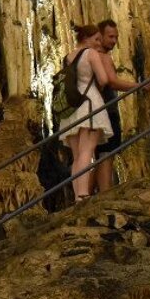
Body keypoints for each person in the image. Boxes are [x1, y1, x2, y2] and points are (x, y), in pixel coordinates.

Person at [57, 25, 112, 202]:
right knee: (87, 151)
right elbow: (104, 79)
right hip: (89, 104)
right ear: (86, 38)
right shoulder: (91, 54)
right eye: (96, 39)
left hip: (72, 108)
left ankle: (77, 195)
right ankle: (83, 194)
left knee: (77, 156)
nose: (98, 43)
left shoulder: (67, 58)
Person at [93, 19, 141, 192]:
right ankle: (105, 195)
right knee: (107, 153)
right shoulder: (101, 55)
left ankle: (85, 196)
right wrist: (139, 86)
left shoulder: (89, 54)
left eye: (116, 37)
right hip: (106, 109)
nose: (114, 41)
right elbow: (113, 82)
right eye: (110, 36)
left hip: (96, 111)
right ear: (100, 35)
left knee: (100, 154)